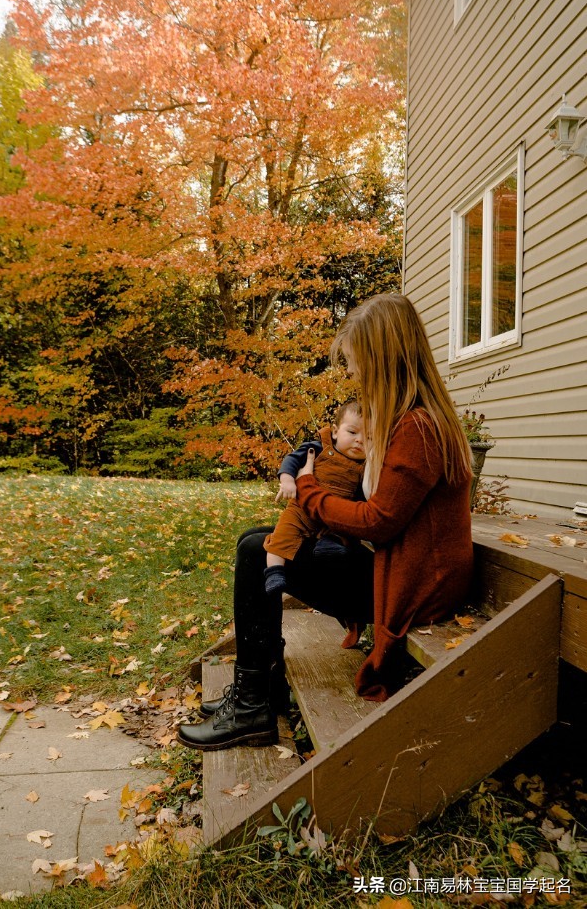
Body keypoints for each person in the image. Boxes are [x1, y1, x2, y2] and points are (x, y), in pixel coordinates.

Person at [177, 293, 474, 752]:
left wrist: (310, 487)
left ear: (381, 359)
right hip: (398, 570)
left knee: (256, 553)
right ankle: (262, 688)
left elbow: (377, 522)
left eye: (356, 363)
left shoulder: (418, 427)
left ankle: (254, 703)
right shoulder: (410, 420)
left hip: (412, 588)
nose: (352, 374)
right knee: (256, 540)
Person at [263, 401, 367, 596]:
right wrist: (287, 480)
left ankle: (328, 548)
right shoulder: (318, 448)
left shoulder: (366, 466)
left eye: (368, 437)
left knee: (342, 535)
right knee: (283, 534)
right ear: (335, 432)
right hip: (302, 510)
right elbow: (292, 459)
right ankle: (275, 572)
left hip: (334, 518)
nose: (360, 440)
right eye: (352, 432)